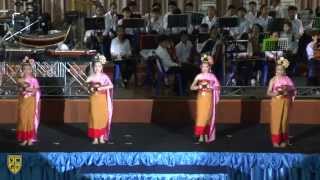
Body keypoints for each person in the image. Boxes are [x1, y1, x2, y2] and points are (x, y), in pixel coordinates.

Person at [267, 57, 296, 148]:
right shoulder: (273, 80)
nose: (280, 71)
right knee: (276, 121)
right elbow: (268, 93)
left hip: (286, 102)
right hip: (276, 102)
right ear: (275, 70)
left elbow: (293, 90)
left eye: (281, 70)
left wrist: (288, 91)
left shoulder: (288, 79)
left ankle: (284, 140)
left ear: (284, 70)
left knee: (284, 121)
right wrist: (274, 93)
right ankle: (276, 140)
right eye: (278, 69)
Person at [190, 55, 220, 143]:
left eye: (206, 66)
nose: (204, 68)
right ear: (200, 67)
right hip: (201, 98)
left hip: (209, 98)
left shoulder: (212, 76)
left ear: (209, 67)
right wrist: (200, 86)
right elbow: (192, 87)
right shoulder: (198, 76)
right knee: (201, 116)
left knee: (208, 116)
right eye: (203, 66)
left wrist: (210, 86)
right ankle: (197, 134)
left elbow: (217, 87)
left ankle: (205, 134)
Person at [86, 57, 113, 144]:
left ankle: (101, 137)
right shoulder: (90, 77)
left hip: (102, 99)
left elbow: (111, 85)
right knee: (94, 117)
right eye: (96, 66)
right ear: (93, 67)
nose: (97, 68)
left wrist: (101, 88)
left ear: (102, 67)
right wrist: (90, 88)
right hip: (94, 99)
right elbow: (86, 87)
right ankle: (95, 138)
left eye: (99, 66)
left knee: (102, 117)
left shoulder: (104, 76)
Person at [16, 57, 40, 146]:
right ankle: (24, 138)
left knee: (30, 119)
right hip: (23, 102)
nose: (27, 71)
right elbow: (19, 88)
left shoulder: (34, 80)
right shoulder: (20, 80)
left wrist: (30, 90)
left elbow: (36, 90)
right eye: (25, 69)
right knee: (23, 119)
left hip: (31, 101)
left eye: (29, 69)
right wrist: (23, 89)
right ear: (22, 70)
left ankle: (30, 138)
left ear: (31, 70)